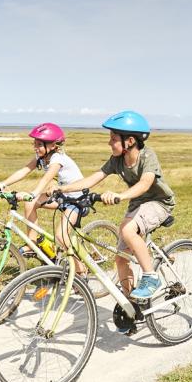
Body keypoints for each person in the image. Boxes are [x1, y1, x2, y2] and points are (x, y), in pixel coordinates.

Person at [57, 110, 175, 302]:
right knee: (121, 259)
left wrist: (120, 195)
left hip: (159, 203)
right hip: (138, 205)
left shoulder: (147, 156)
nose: (109, 142)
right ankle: (133, 306)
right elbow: (95, 178)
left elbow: (145, 183)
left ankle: (151, 277)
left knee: (127, 229)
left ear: (129, 141)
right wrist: (64, 189)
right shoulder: (116, 160)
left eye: (113, 138)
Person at [0, 122, 84, 255]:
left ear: (53, 146)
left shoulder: (58, 158)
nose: (35, 147)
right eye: (34, 144)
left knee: (61, 236)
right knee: (30, 203)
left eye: (39, 144)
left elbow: (47, 178)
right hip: (61, 196)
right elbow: (24, 171)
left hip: (77, 199)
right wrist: (0, 186)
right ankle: (32, 244)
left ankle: (81, 271)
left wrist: (33, 193)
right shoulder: (42, 158)